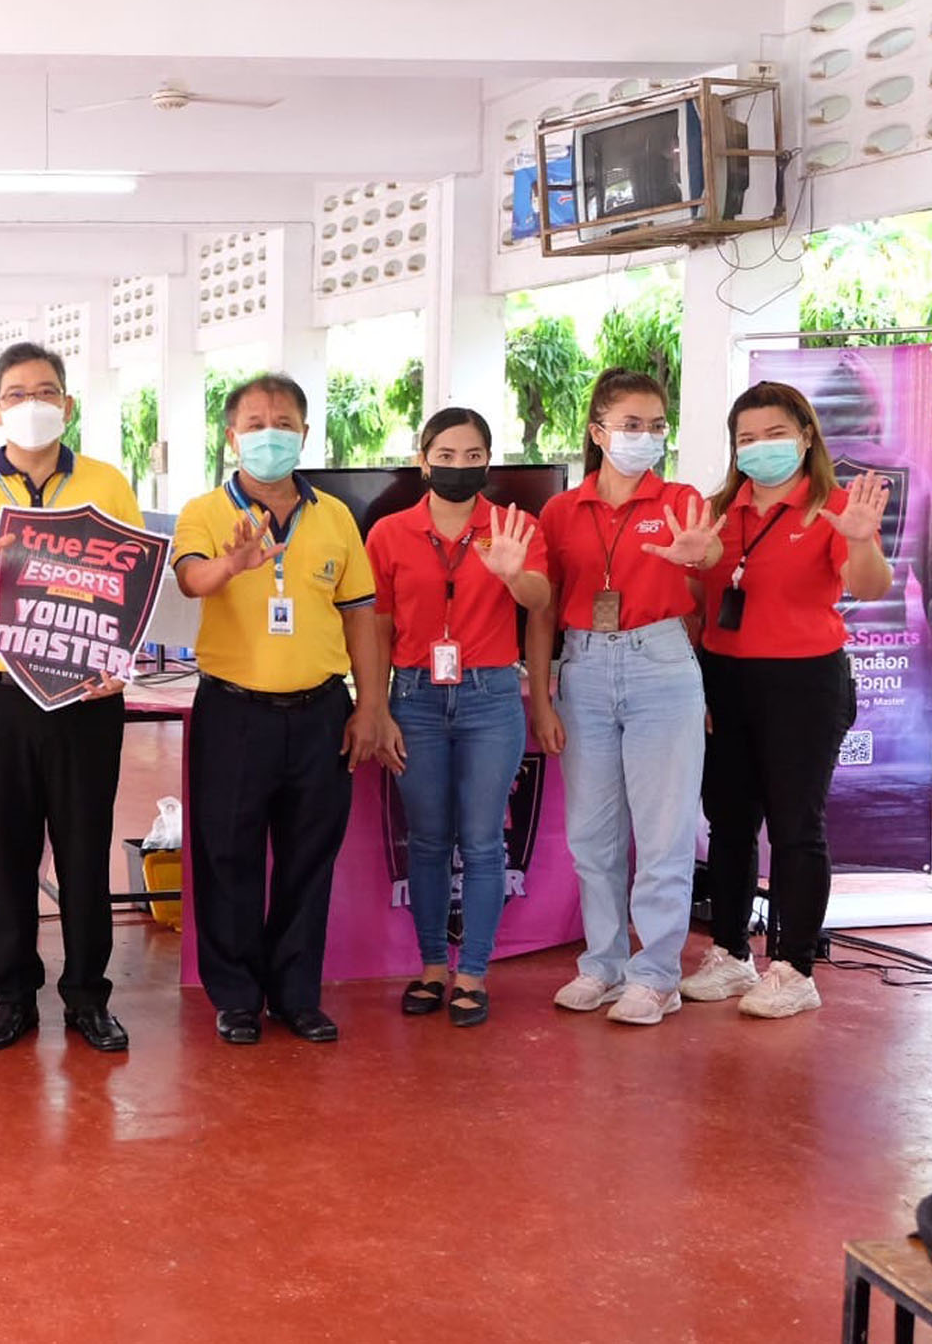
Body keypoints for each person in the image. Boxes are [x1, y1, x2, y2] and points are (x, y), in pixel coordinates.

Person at [0, 342, 143, 1054]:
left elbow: (129, 582)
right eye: (17, 393)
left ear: (67, 405)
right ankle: (13, 995)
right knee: (6, 853)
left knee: (82, 850)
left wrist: (119, 659)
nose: (32, 404)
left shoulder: (106, 483)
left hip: (83, 698)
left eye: (45, 392)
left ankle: (86, 996)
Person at [172, 374, 384, 1045]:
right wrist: (231, 563)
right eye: (257, 422)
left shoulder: (336, 517)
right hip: (234, 713)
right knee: (227, 855)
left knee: (307, 857)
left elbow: (362, 618)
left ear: (304, 433)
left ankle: (296, 994)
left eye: (284, 421)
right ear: (233, 436)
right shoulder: (204, 511)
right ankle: (235, 995)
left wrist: (369, 705)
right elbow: (190, 578)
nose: (271, 432)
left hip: (321, 712)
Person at [681, 381, 892, 1018]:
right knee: (730, 820)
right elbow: (698, 602)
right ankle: (731, 953)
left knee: (797, 827)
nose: (761, 448)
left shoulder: (829, 506)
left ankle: (795, 966)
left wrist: (859, 539)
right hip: (725, 677)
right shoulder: (719, 509)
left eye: (775, 434)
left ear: (805, 436)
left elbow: (871, 585)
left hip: (804, 681)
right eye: (747, 438)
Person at [526, 368, 726, 1026]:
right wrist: (542, 697)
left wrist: (702, 555)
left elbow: (707, 578)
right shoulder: (561, 510)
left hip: (660, 664)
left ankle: (658, 973)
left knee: (664, 832)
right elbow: (543, 609)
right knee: (591, 832)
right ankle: (603, 963)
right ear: (597, 430)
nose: (645, 438)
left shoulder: (681, 499)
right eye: (630, 425)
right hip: (583, 668)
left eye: (656, 426)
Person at [367, 408, 550, 1028]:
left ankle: (472, 971)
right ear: (424, 460)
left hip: (490, 696)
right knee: (425, 839)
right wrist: (377, 703)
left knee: (481, 841)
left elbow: (541, 601)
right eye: (446, 455)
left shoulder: (514, 528)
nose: (459, 467)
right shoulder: (389, 533)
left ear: (488, 462)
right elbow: (379, 621)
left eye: (474, 456)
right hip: (414, 696)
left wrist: (512, 572)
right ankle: (430, 967)